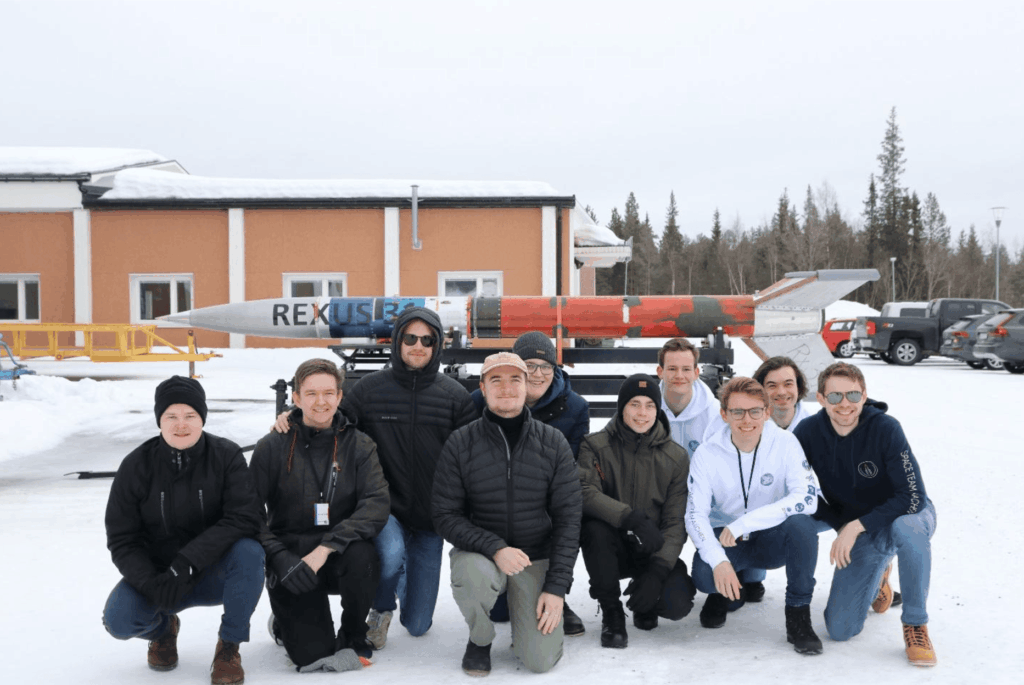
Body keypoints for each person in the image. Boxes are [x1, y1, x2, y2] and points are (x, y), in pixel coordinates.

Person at [103, 376, 264, 685]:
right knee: (118, 621)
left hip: (214, 572)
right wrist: (151, 583)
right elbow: (123, 538)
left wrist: (188, 561)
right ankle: (163, 630)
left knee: (249, 552)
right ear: (159, 420)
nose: (181, 424)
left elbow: (245, 517)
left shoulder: (226, 456)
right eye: (171, 416)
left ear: (202, 417)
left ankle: (229, 647)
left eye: (190, 416)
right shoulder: (136, 465)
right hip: (163, 578)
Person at [432, 352, 582, 676]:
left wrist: (557, 588)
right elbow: (445, 514)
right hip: (483, 555)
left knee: (539, 661)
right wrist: (495, 548)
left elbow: (569, 518)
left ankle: (525, 619)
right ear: (483, 389)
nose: (506, 388)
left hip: (536, 558)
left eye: (515, 379)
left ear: (527, 386)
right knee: (472, 575)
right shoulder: (461, 442)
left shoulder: (553, 442)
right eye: (495, 380)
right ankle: (480, 638)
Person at [343, 307, 478, 648]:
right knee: (390, 550)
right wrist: (292, 419)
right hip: (383, 509)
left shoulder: (454, 397)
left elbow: (471, 459)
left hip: (430, 518)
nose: (418, 346)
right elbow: (333, 425)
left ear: (437, 346)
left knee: (418, 624)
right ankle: (382, 607)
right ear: (398, 341)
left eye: (427, 340)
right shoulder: (368, 390)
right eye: (410, 338)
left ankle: (402, 580)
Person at [793, 362, 937, 666]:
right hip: (859, 528)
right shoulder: (807, 432)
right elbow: (798, 491)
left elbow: (913, 496)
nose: (844, 404)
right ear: (820, 399)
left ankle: (915, 624)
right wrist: (840, 523)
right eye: (834, 397)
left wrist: (855, 526)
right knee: (840, 629)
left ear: (864, 395)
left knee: (908, 530)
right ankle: (880, 575)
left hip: (904, 514)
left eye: (852, 395)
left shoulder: (885, 428)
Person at [252, 359, 390, 672]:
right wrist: (279, 557)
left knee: (364, 555)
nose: (321, 402)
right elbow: (247, 512)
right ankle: (286, 619)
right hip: (291, 555)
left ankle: (354, 630)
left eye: (328, 393)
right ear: (296, 398)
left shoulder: (359, 445)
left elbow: (376, 503)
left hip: (337, 549)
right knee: (311, 654)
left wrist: (327, 547)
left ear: (340, 396)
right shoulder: (272, 446)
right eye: (311, 394)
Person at [685, 376, 823, 655]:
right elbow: (695, 514)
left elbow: (807, 499)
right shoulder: (706, 453)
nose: (746, 419)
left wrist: (745, 523)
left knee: (802, 526)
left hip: (771, 538)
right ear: (724, 414)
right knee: (704, 576)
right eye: (737, 411)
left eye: (755, 411)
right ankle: (723, 589)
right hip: (727, 538)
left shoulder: (786, 443)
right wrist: (719, 561)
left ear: (767, 412)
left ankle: (798, 614)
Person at [470, 331, 590, 636]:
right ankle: (501, 591)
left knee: (569, 515)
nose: (538, 373)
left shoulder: (574, 408)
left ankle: (556, 594)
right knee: (500, 613)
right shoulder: (480, 401)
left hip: (545, 502)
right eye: (530, 365)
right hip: (494, 503)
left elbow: (572, 470)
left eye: (545, 366)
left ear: (556, 370)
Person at [577, 373, 695, 649]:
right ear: (621, 408)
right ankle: (612, 612)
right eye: (634, 404)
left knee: (677, 604)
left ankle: (646, 602)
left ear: (658, 410)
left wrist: (658, 569)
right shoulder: (595, 445)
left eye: (650, 405)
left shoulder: (676, 457)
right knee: (593, 529)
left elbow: (676, 521)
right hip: (610, 546)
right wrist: (629, 517)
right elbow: (584, 492)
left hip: (651, 546)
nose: (642, 413)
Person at [656, 338, 718, 456]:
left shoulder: (715, 414)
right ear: (660, 372)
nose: (679, 375)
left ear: (696, 373)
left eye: (686, 369)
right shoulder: (647, 411)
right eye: (672, 369)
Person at [753, 356, 812, 432]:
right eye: (772, 386)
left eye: (788, 384)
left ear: (798, 386)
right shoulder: (749, 428)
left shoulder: (815, 428)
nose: (781, 392)